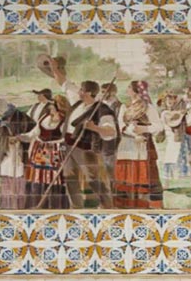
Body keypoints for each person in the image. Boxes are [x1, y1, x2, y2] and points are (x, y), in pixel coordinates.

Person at [63, 80, 118, 208]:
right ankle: (76, 207)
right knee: (69, 178)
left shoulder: (102, 110)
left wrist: (95, 128)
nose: (78, 92)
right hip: (69, 146)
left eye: (81, 90)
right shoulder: (77, 105)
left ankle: (108, 206)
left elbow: (111, 131)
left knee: (93, 180)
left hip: (85, 149)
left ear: (87, 93)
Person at [113, 81, 166, 209]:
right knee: (127, 175)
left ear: (136, 91)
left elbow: (158, 126)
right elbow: (120, 125)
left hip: (143, 144)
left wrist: (143, 130)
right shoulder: (124, 107)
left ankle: (148, 206)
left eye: (129, 87)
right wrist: (132, 132)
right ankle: (127, 205)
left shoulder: (148, 107)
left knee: (145, 175)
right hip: (127, 144)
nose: (127, 90)